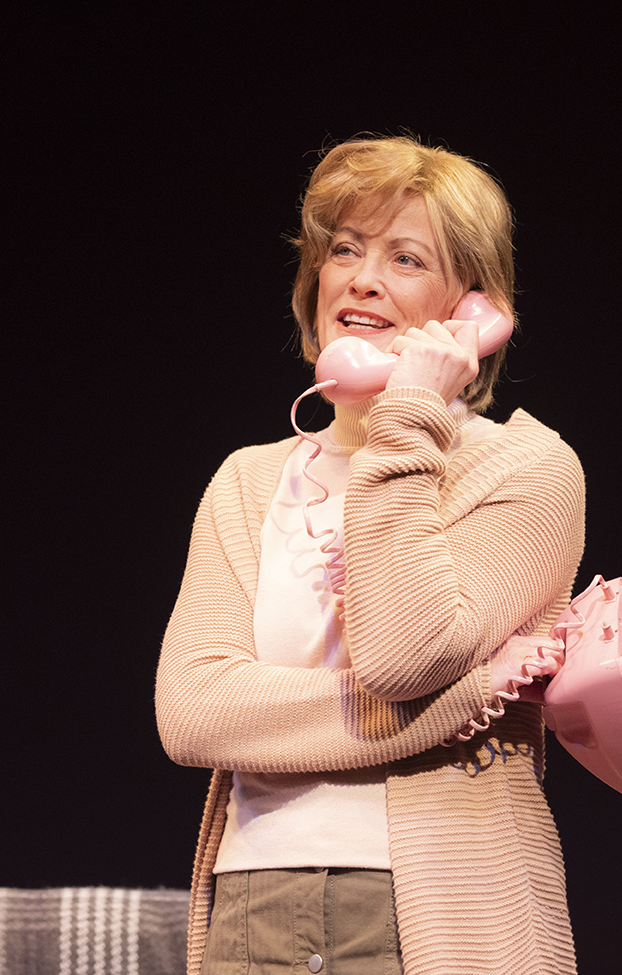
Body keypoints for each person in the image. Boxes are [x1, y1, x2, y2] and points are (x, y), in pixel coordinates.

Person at [156, 136, 586, 975]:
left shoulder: (528, 469)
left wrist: (408, 416)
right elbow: (193, 712)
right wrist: (458, 701)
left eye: (405, 258)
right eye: (344, 250)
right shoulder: (247, 480)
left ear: (472, 308)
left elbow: (403, 653)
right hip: (257, 904)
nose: (360, 278)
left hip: (448, 904)